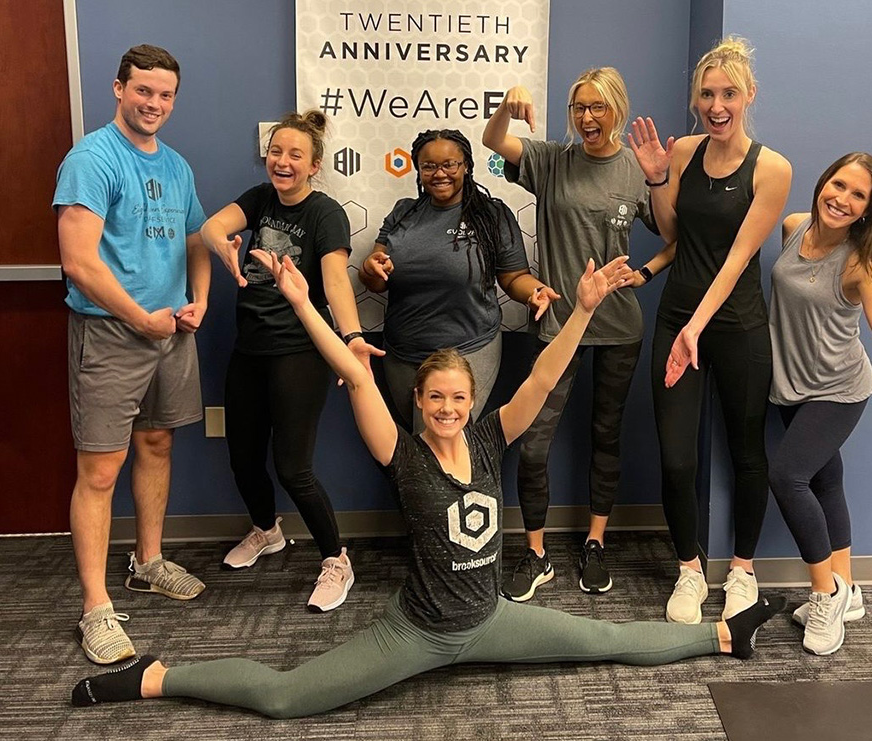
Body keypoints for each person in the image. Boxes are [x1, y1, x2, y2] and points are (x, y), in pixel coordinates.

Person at [72, 250, 785, 717]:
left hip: (493, 620)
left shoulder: (487, 437)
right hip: (416, 632)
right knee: (287, 697)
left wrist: (585, 309)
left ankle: (726, 635)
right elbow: (354, 372)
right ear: (419, 402)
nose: (448, 407)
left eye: (458, 397)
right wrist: (300, 300)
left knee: (604, 636)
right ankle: (154, 675)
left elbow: (541, 375)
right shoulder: (403, 453)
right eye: (435, 398)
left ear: (471, 400)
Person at [54, 44, 210, 664]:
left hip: (170, 332)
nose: (154, 104)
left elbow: (197, 237)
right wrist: (138, 316)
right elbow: (79, 260)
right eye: (143, 91)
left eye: (165, 94)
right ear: (118, 89)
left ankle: (147, 561)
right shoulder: (91, 159)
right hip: (113, 335)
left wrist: (198, 297)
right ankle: (95, 609)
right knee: (99, 471)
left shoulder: (175, 165)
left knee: (157, 444)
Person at [482, 67, 664, 599]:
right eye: (579, 107)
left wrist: (646, 272)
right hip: (559, 325)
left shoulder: (638, 169)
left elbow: (673, 236)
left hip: (619, 327)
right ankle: (536, 553)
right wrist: (506, 106)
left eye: (598, 107)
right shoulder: (549, 160)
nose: (588, 118)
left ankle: (595, 543)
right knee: (534, 444)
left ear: (618, 110)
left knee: (606, 436)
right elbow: (493, 142)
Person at [628, 37, 792, 623]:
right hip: (677, 318)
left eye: (729, 94)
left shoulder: (771, 168)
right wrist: (655, 180)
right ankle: (690, 572)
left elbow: (738, 258)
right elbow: (675, 234)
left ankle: (742, 571)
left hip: (737, 324)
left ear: (750, 96)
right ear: (695, 99)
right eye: (706, 94)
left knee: (748, 455)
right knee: (676, 458)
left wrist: (698, 326)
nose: (716, 105)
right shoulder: (686, 151)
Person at [200, 110, 380, 612]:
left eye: (295, 155)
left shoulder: (325, 214)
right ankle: (266, 530)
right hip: (248, 349)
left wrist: (353, 338)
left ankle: (336, 561)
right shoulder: (259, 201)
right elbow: (213, 226)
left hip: (299, 351)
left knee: (293, 468)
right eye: (276, 152)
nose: (282, 161)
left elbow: (337, 280)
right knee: (242, 456)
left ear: (314, 165)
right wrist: (224, 248)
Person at [767, 152, 872, 655]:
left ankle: (827, 593)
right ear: (823, 183)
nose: (842, 199)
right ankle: (851, 589)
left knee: (787, 476)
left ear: (868, 210)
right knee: (825, 479)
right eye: (838, 185)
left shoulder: (862, 264)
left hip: (838, 389)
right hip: (790, 383)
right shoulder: (795, 226)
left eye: (857, 195)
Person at [359, 129, 558, 433]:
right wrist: (370, 269)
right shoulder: (403, 213)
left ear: (466, 165)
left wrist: (535, 293)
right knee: (416, 446)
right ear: (418, 169)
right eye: (429, 166)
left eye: (450, 165)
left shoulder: (492, 215)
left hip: (469, 348)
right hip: (403, 354)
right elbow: (376, 278)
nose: (440, 174)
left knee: (445, 439)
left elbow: (514, 277)